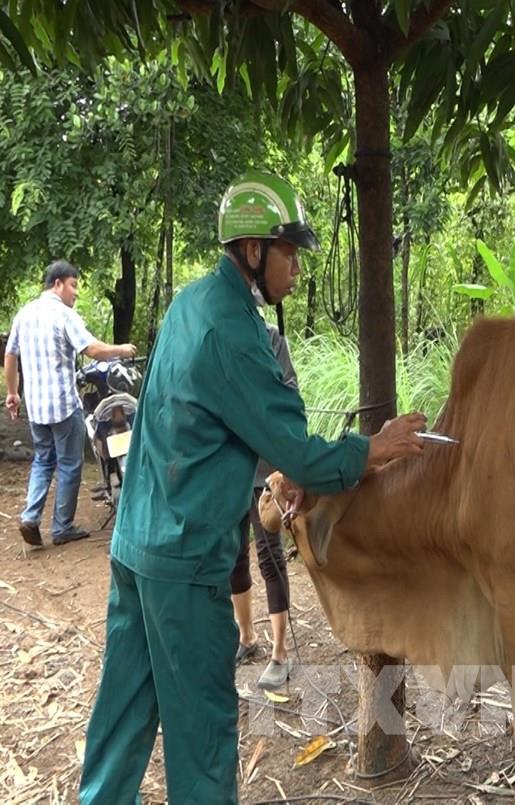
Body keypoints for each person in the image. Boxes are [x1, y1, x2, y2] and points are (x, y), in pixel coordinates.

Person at [78, 170, 426, 805]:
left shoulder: (191, 304)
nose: (296, 268)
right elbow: (297, 448)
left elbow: (196, 418)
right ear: (252, 250)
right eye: (288, 252)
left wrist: (279, 463)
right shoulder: (235, 331)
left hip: (137, 545)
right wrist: (374, 448)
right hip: (184, 561)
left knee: (124, 712)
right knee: (205, 733)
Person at [3, 260, 136, 547]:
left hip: (36, 408)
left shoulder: (24, 314)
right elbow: (92, 349)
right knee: (69, 463)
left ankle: (30, 517)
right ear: (58, 283)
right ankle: (62, 527)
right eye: (74, 285)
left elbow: (10, 356)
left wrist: (13, 393)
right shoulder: (63, 315)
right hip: (62, 405)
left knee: (42, 459)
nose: (76, 293)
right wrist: (122, 349)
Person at [232, 323, 296, 691]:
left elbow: (289, 396)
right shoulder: (220, 337)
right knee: (234, 555)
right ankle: (246, 638)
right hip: (230, 468)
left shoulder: (272, 340)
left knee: (269, 555)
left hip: (265, 469)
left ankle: (280, 652)